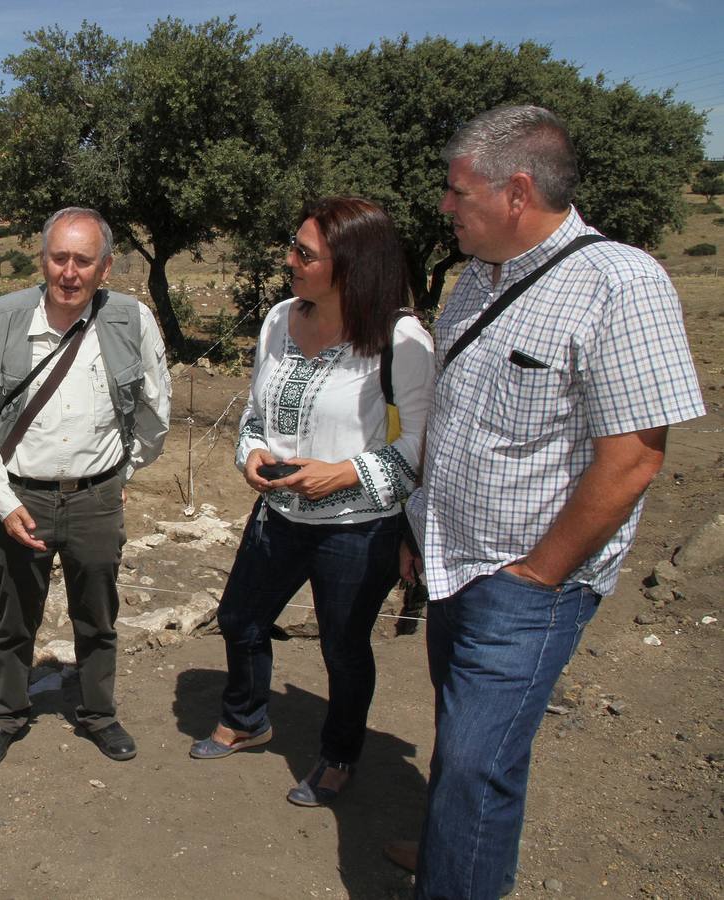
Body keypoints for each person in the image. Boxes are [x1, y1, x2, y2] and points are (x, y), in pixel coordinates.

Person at [400, 106, 704, 899]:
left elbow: (633, 457)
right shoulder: (473, 281)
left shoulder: (621, 284)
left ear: (516, 192)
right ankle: (454, 846)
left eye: (456, 191)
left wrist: (539, 575)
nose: (443, 206)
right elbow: (453, 416)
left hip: (525, 580)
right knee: (468, 743)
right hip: (450, 557)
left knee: (473, 757)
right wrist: (417, 528)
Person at [189, 197, 435, 810]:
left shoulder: (399, 340)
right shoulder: (277, 320)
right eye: (292, 246)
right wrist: (249, 453)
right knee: (241, 619)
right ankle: (248, 718)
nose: (289, 260)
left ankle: (340, 752)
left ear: (351, 265)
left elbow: (420, 445)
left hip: (358, 528)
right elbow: (255, 412)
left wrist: (345, 473)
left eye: (305, 253)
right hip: (278, 514)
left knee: (343, 648)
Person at [0, 206, 171, 767]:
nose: (69, 272)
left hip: (98, 496)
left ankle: (99, 714)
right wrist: (0, 500)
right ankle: (6, 714)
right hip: (19, 496)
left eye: (83, 260)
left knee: (97, 616)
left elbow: (155, 411)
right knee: (14, 615)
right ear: (42, 257)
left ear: (106, 267)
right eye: (59, 257)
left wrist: (121, 473)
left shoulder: (132, 321)